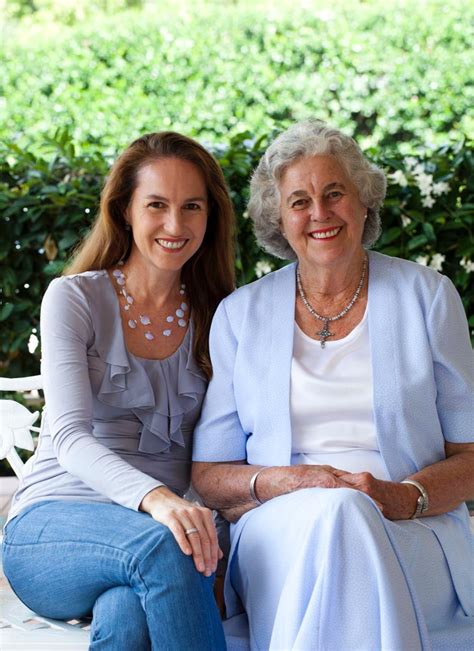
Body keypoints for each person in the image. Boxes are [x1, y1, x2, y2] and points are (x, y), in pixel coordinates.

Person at [192, 119, 474, 650]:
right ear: (280, 220)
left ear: (363, 201)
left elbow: (472, 454)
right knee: (339, 513)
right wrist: (289, 482)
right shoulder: (240, 315)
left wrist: (403, 495)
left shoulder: (428, 298)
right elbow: (209, 475)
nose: (319, 213)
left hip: (414, 530)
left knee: (346, 516)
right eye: (299, 201)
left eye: (334, 193)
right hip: (281, 533)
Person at [2, 131, 235, 650]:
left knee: (126, 620)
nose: (175, 225)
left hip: (153, 543)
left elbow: (233, 444)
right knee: (166, 548)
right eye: (157, 204)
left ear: (210, 216)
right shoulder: (74, 298)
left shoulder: (224, 315)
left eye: (192, 206)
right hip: (51, 529)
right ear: (125, 210)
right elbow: (66, 435)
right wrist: (159, 500)